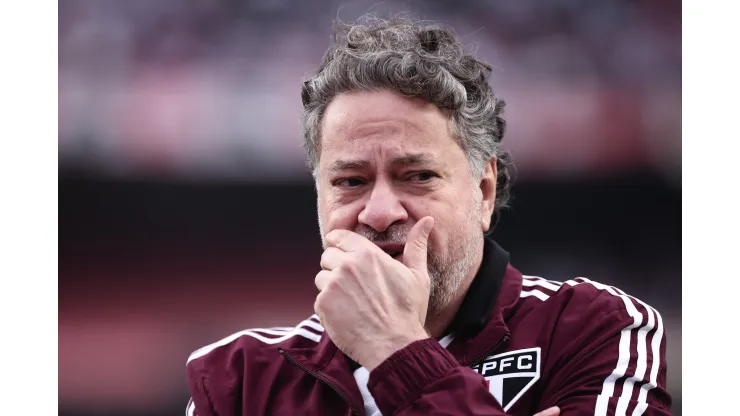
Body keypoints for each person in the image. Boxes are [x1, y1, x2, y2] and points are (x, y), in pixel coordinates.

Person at [185, 16, 671, 416]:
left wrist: (395, 348)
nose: (378, 213)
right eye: (350, 181)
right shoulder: (237, 378)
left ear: (483, 190)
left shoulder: (596, 329)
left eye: (416, 175)